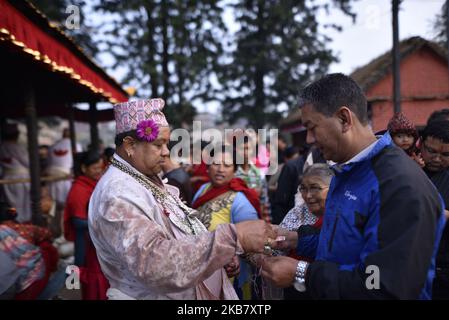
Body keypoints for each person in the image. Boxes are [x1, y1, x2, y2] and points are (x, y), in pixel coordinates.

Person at [261, 73, 446, 299]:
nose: (308, 139)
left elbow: (381, 284)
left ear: (344, 119)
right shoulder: (346, 171)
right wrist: (297, 240)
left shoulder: (399, 186)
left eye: (312, 127)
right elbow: (346, 243)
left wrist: (302, 273)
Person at [88, 98, 275, 300]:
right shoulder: (118, 193)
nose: (167, 152)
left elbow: (178, 232)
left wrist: (215, 257)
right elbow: (154, 263)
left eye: (166, 144)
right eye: (158, 144)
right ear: (130, 145)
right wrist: (227, 239)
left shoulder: (143, 178)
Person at [191, 145, 261, 299]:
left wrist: (234, 256)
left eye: (227, 165)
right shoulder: (204, 189)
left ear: (235, 170)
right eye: (216, 164)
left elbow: (253, 240)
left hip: (229, 275)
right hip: (200, 269)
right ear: (208, 167)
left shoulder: (239, 201)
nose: (220, 169)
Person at [275, 163, 333, 299]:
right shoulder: (297, 213)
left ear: (333, 187)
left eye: (315, 188)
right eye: (303, 189)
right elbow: (277, 249)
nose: (307, 195)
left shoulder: (341, 215)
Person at [63, 150, 108, 299]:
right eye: (95, 168)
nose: (98, 172)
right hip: (83, 235)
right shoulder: (78, 189)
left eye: (100, 168)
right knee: (81, 264)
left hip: (91, 234)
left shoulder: (93, 184)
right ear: (84, 168)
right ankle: (72, 290)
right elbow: (77, 220)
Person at [419, 120, 449, 299]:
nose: (437, 159)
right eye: (431, 151)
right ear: (420, 143)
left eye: (446, 154)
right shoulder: (407, 170)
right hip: (412, 268)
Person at [0, 123, 31, 222]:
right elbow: (29, 163)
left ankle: (12, 220)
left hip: (6, 177)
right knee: (22, 204)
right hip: (20, 178)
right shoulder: (17, 147)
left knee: (10, 202)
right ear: (16, 134)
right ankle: (21, 222)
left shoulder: (1, 147)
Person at [47, 128, 81, 208]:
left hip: (52, 176)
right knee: (66, 201)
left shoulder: (53, 146)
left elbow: (49, 161)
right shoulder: (76, 145)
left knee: (54, 201)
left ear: (63, 134)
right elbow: (78, 161)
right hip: (67, 176)